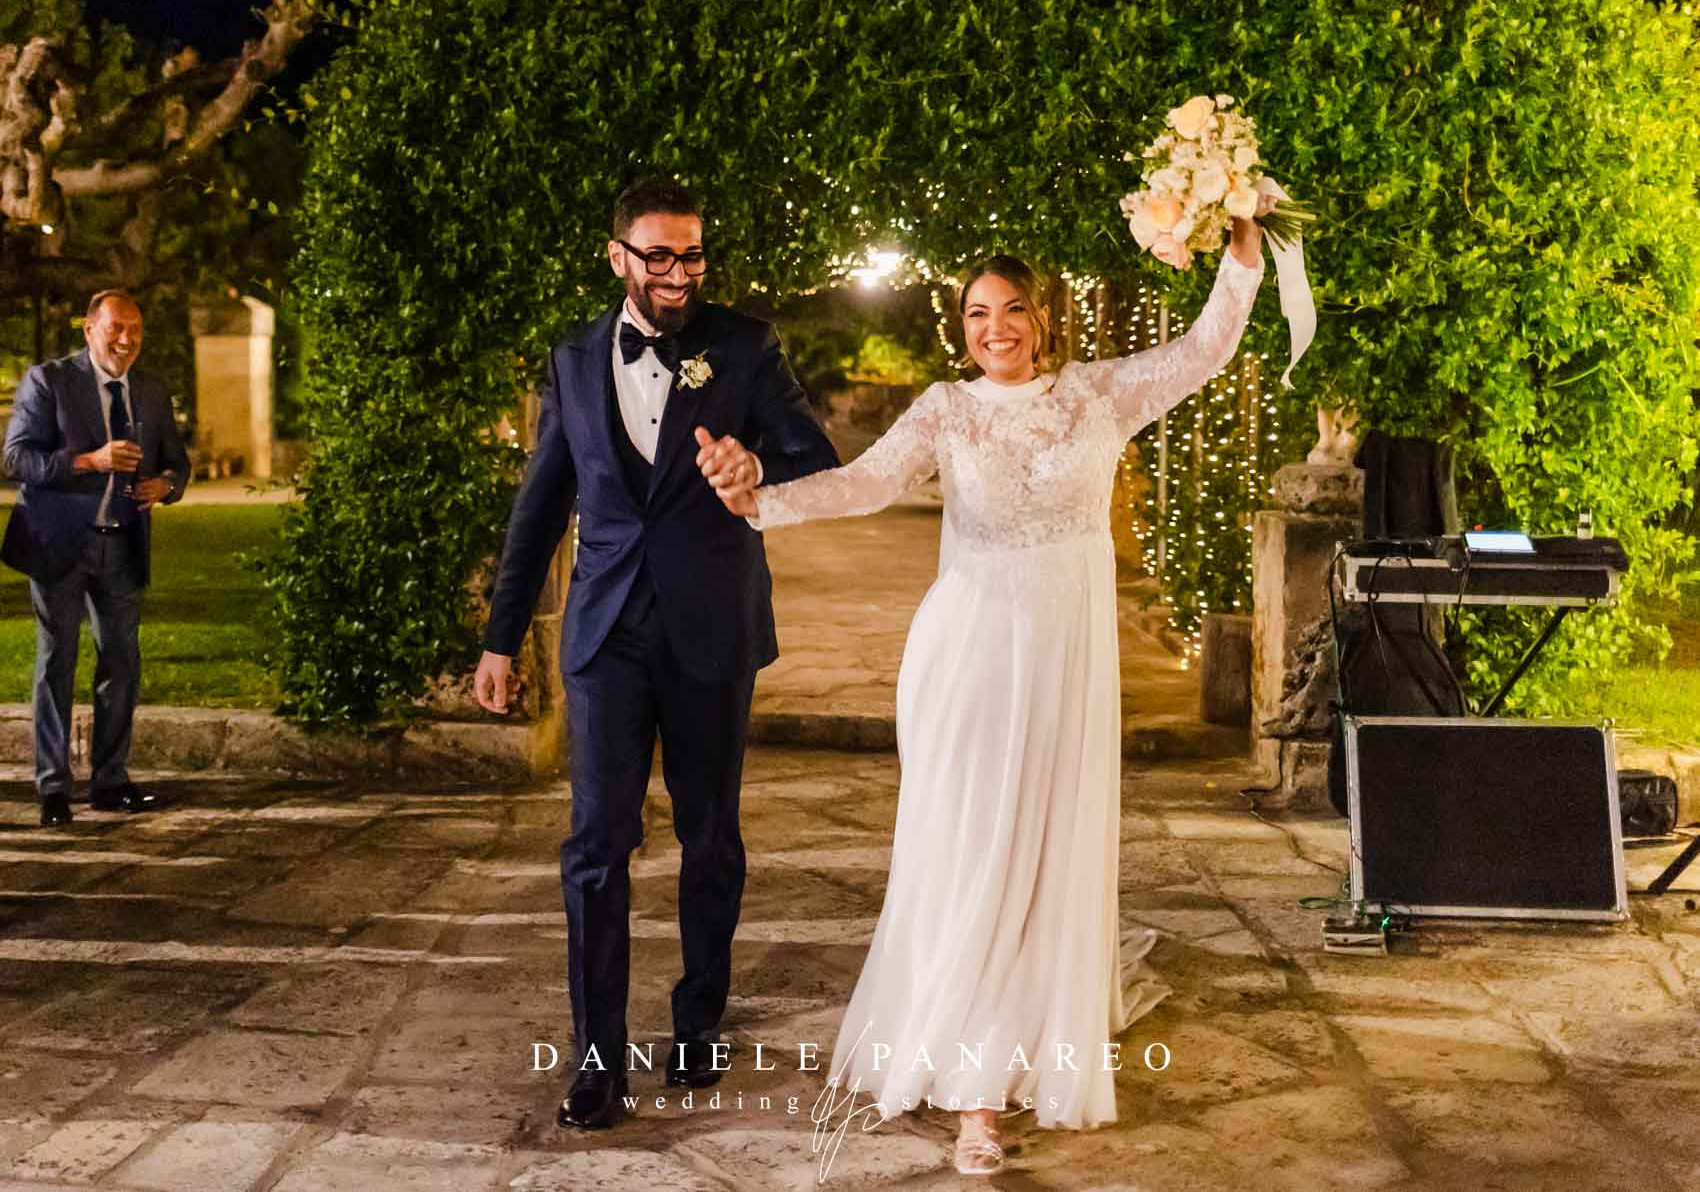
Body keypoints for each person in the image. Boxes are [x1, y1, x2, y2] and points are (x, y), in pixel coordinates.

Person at [706, 217, 1267, 1174]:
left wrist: (1242, 252)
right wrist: (765, 498)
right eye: (976, 313)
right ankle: (976, 1096)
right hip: (965, 653)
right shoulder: (945, 408)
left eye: (1011, 309)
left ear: (1043, 318)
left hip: (1066, 663)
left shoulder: (1099, 395)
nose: (994, 327)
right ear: (960, 326)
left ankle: (1029, 1029)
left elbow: (1206, 347)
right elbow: (867, 483)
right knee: (972, 849)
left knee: (1046, 852)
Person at [474, 177, 840, 1130]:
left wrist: (758, 467)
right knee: (596, 842)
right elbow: (541, 505)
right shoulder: (573, 358)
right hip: (605, 635)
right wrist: (502, 637)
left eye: (693, 254)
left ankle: (698, 1020)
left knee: (709, 835)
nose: (680, 273)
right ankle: (596, 1059)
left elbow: (816, 455)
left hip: (712, 626)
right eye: (660, 255)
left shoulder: (746, 346)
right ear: (619, 257)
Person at [2, 289, 190, 828]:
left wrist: (166, 485)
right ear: (89, 330)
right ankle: (53, 788)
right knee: (57, 661)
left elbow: (177, 462)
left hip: (121, 543)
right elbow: (16, 458)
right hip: (58, 542)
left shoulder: (150, 389)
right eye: (116, 328)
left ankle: (110, 782)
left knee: (122, 661)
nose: (127, 339)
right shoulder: (50, 381)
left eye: (136, 329)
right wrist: (90, 460)